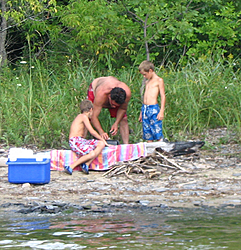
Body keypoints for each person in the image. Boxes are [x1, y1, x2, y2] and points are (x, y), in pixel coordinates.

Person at [65, 99, 109, 175]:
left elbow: (84, 136)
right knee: (91, 153)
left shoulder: (85, 119)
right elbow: (92, 131)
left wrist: (102, 142)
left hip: (81, 140)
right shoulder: (82, 116)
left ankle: (86, 164)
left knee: (101, 144)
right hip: (75, 141)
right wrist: (103, 139)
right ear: (91, 109)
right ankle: (71, 166)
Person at [87, 76, 131, 144]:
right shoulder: (101, 93)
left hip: (113, 94)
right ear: (109, 97)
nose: (113, 107)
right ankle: (81, 141)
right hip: (95, 89)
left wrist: (116, 123)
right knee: (87, 116)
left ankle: (126, 144)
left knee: (124, 118)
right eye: (113, 104)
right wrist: (101, 132)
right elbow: (94, 116)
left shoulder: (127, 94)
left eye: (116, 106)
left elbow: (122, 109)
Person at [138, 60, 166, 142]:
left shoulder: (159, 81)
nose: (144, 76)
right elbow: (145, 97)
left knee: (156, 130)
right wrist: (141, 112)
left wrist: (161, 111)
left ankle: (160, 146)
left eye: (145, 74)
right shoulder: (147, 82)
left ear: (150, 71)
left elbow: (163, 96)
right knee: (147, 132)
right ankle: (150, 149)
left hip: (153, 108)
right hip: (145, 108)